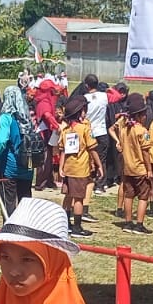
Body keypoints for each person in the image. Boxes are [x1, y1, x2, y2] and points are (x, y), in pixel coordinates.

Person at [0, 83, 37, 215]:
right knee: (25, 200)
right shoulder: (27, 117)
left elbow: (1, 140)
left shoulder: (6, 117)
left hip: (10, 166)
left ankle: (9, 229)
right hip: (28, 165)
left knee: (8, 201)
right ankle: (24, 228)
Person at [111, 91, 153, 234]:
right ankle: (139, 224)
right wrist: (149, 169)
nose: (145, 116)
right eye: (143, 114)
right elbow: (146, 153)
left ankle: (128, 222)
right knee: (143, 196)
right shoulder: (142, 131)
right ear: (139, 116)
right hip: (140, 169)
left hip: (127, 168)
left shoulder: (124, 130)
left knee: (128, 195)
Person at [58, 95, 98, 239]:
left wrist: (61, 168)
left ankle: (65, 223)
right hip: (80, 169)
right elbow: (92, 148)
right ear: (80, 112)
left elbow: (62, 151)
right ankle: (77, 227)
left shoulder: (65, 130)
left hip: (68, 169)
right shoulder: (84, 129)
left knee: (68, 196)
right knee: (79, 198)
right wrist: (99, 165)